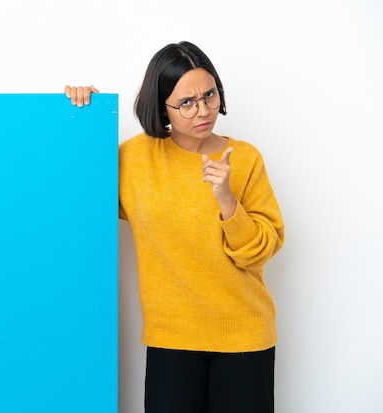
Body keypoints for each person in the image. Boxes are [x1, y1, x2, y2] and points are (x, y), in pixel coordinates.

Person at [65, 41, 284, 413]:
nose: (203, 110)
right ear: (160, 104)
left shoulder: (244, 159)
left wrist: (226, 201)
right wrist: (88, 120)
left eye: (210, 95)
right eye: (186, 102)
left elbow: (262, 250)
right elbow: (81, 196)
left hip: (244, 336)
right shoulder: (135, 160)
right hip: (171, 339)